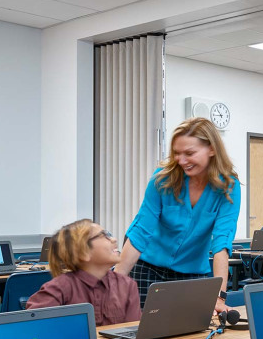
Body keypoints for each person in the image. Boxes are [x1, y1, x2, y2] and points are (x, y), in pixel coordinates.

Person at [115, 117, 240, 313]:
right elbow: (141, 232)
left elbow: (221, 243)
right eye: (176, 153)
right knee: (140, 332)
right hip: (148, 269)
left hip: (192, 273)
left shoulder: (227, 187)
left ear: (212, 149)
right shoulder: (162, 179)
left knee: (188, 335)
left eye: (189, 153)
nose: (181, 161)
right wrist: (114, 283)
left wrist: (219, 296)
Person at [25, 220, 141, 327]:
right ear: (83, 252)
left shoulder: (127, 285)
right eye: (104, 235)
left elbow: (133, 331)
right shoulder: (60, 288)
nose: (114, 240)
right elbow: (34, 327)